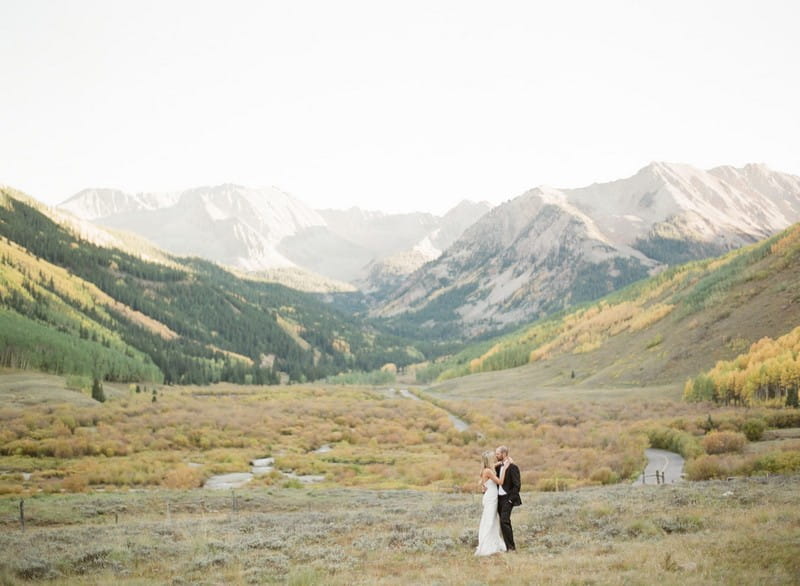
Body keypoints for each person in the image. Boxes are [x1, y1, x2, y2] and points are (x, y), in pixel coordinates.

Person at [475, 450, 511, 556]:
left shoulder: (486, 469)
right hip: (491, 498)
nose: (495, 458)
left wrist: (501, 463)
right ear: (489, 460)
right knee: (490, 521)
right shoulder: (488, 471)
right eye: (493, 457)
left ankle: (492, 542)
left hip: (491, 497)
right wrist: (504, 468)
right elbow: (500, 482)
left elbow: (493, 467)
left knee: (492, 520)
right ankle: (486, 545)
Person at [495, 445, 522, 551]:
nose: (496, 455)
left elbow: (517, 485)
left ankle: (511, 548)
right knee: (504, 522)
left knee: (504, 521)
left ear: (504, 454)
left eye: (498, 454)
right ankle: (508, 546)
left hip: (508, 498)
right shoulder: (497, 467)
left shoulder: (513, 467)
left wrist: (511, 500)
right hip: (498, 499)